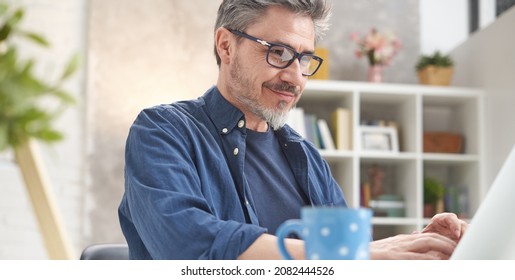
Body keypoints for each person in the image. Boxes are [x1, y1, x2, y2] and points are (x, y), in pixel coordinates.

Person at [118, 0, 468, 260]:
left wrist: (417, 246)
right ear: (226, 45)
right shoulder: (163, 131)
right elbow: (190, 247)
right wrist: (361, 256)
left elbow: (347, 255)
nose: (295, 76)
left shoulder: (306, 156)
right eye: (279, 52)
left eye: (304, 59)